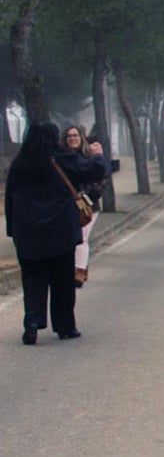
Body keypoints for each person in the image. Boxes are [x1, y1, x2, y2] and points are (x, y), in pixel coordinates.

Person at [5, 122, 108, 344]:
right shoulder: (61, 158)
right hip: (60, 231)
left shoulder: (19, 164)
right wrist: (98, 155)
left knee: (33, 281)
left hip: (28, 232)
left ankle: (32, 324)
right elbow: (94, 170)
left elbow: (9, 200)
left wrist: (12, 231)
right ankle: (65, 326)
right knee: (62, 281)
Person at [61, 125, 107, 289]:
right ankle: (76, 267)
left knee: (82, 237)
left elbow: (102, 178)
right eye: (69, 136)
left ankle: (79, 272)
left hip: (88, 205)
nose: (72, 138)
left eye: (75, 135)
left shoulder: (90, 157)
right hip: (66, 206)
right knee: (70, 239)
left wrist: (90, 196)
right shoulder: (61, 159)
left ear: (81, 138)